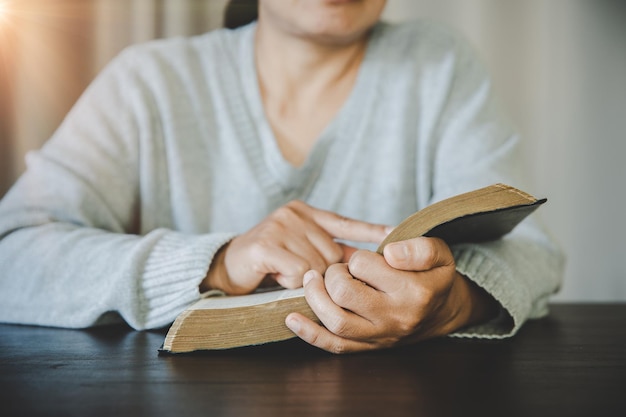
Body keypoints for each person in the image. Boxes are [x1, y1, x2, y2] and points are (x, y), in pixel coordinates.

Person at [0, 0, 563, 353]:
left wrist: (453, 303)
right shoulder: (147, 82)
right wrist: (217, 262)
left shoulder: (440, 65)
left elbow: (532, 249)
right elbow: (12, 254)